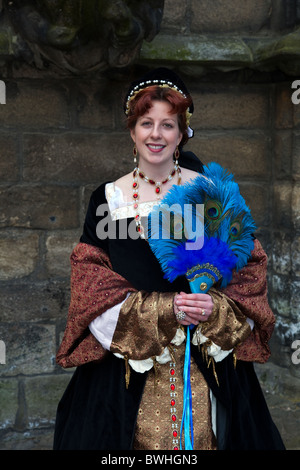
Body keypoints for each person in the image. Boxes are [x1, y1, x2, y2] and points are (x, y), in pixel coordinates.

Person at [53, 68, 285, 450]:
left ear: (181, 132)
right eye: (146, 123)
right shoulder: (108, 199)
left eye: (167, 124)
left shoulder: (209, 193)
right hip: (127, 364)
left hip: (206, 356)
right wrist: (166, 310)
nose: (155, 135)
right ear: (132, 131)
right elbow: (90, 284)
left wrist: (215, 306)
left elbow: (249, 269)